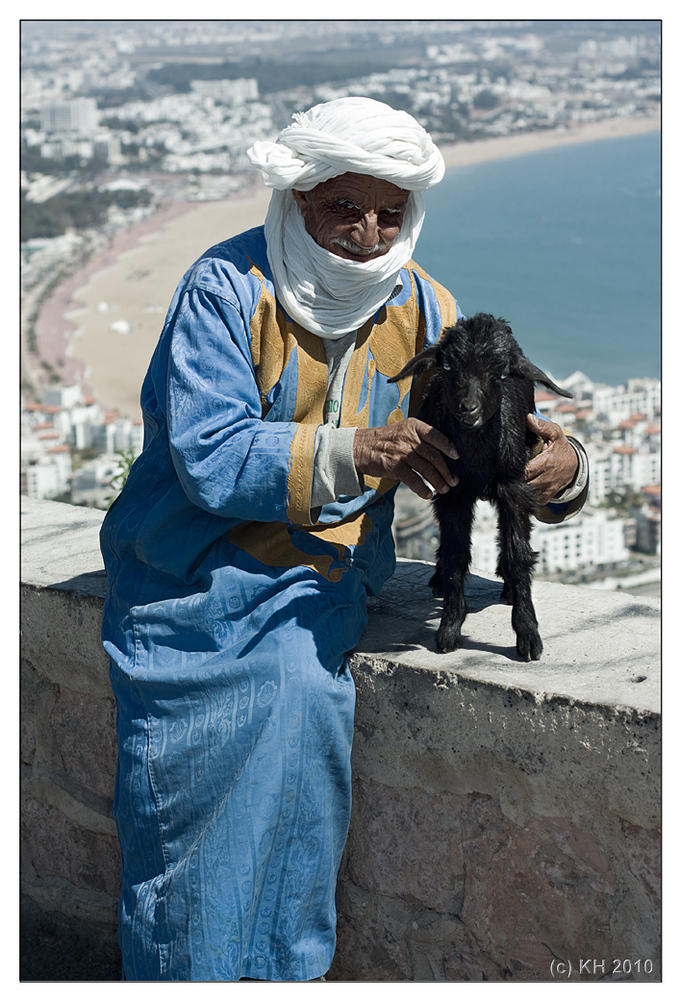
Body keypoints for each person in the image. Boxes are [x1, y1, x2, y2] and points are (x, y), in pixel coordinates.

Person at [100, 97, 588, 982]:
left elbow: (495, 426)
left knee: (300, 788)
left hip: (321, 581)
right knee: (191, 826)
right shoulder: (225, 289)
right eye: (344, 209)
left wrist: (565, 469)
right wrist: (358, 450)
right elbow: (206, 455)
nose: (369, 233)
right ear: (298, 204)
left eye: (390, 211)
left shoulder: (425, 308)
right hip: (190, 581)